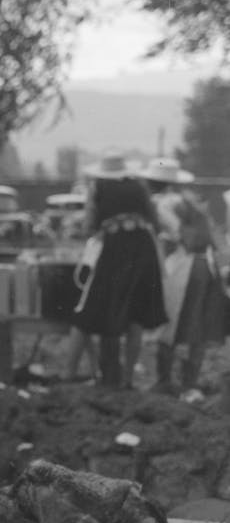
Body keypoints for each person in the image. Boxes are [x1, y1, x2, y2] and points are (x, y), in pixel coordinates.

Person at [71, 153, 167, 389]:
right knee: (136, 315)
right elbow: (155, 220)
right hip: (144, 248)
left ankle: (109, 377)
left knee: (109, 309)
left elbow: (90, 223)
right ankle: (127, 379)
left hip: (115, 248)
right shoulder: (140, 187)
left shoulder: (97, 187)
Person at [139, 159, 227, 398]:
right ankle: (190, 381)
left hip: (182, 264)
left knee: (169, 320)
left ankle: (164, 380)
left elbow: (177, 233)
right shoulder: (191, 200)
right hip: (205, 264)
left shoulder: (164, 203)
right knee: (199, 324)